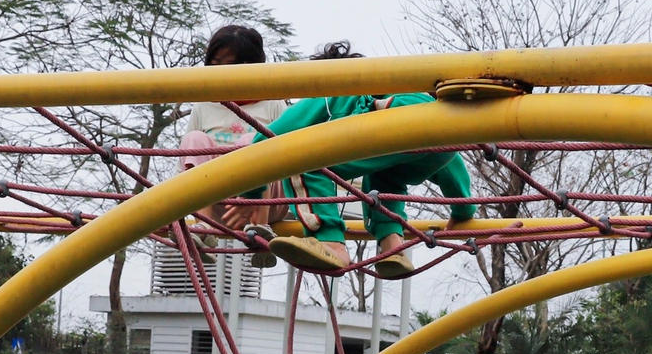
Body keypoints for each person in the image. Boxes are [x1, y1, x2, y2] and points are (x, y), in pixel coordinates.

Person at [231, 41, 477, 279]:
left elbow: (267, 142)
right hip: (441, 129)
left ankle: (330, 241)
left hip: (392, 115)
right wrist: (463, 209)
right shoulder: (416, 98)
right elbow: (451, 162)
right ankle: (393, 246)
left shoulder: (329, 92)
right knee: (384, 182)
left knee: (300, 159)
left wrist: (251, 196)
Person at [179, 24, 290, 237]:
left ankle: (260, 227)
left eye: (228, 65)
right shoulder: (204, 106)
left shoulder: (272, 105)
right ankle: (203, 225)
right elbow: (186, 161)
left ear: (249, 66)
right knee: (195, 138)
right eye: (214, 64)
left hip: (268, 199)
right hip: (218, 201)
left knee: (252, 140)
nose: (220, 71)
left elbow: (291, 158)